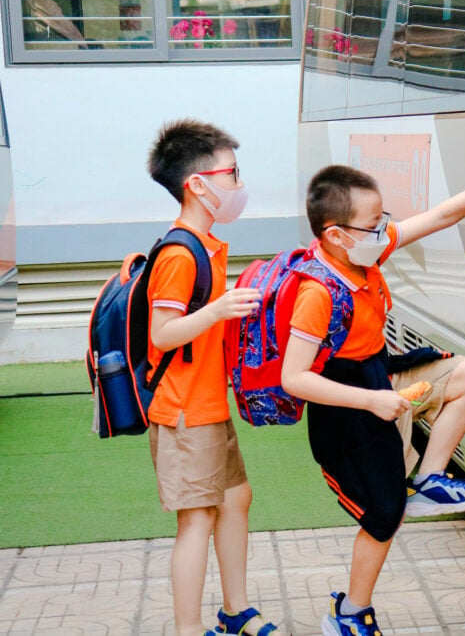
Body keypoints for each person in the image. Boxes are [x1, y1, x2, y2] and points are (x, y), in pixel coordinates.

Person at [280, 165, 465, 636]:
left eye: (384, 219)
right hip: (345, 408)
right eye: (374, 223)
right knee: (383, 515)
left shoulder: (364, 251)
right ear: (336, 235)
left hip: (382, 374)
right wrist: (369, 402)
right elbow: (294, 378)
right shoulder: (317, 291)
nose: (385, 230)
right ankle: (350, 614)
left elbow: (440, 215)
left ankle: (431, 478)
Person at [144, 119, 280, 636]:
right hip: (183, 410)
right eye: (232, 173)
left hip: (208, 405)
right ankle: (186, 629)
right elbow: (162, 334)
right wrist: (220, 310)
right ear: (196, 184)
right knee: (195, 520)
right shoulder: (180, 253)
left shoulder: (205, 244)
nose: (238, 185)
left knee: (235, 498)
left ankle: (235, 609)